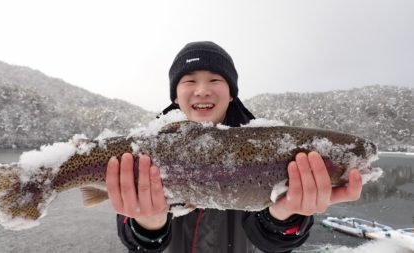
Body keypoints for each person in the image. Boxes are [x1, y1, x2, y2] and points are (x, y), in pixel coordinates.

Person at [105, 41, 363, 253]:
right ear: (175, 95)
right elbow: (137, 243)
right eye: (189, 81)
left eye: (215, 79)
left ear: (231, 93)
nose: (202, 90)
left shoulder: (268, 149)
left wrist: (285, 217)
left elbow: (271, 244)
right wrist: (149, 224)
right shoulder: (143, 150)